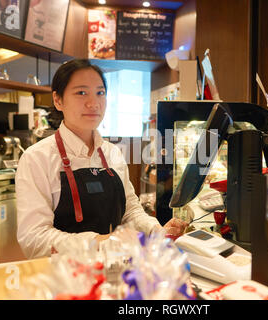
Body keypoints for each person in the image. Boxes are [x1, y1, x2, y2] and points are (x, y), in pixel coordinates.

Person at [15, 59, 188, 259]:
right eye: (81, 92)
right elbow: (34, 239)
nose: (94, 102)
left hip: (115, 273)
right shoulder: (37, 158)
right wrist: (100, 242)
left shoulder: (112, 153)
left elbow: (130, 210)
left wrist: (157, 231)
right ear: (58, 100)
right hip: (63, 280)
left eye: (100, 93)